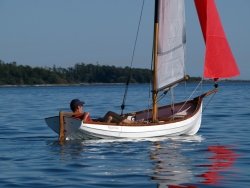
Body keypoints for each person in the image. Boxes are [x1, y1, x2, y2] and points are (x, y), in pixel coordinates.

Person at [70, 99, 143, 124]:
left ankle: (129, 122)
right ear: (79, 107)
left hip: (98, 124)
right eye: (81, 106)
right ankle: (133, 122)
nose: (82, 108)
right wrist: (85, 116)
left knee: (110, 117)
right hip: (98, 127)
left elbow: (89, 121)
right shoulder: (76, 117)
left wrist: (98, 119)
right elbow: (81, 125)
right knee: (109, 113)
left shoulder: (79, 115)